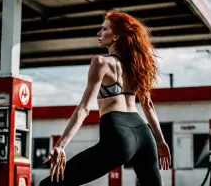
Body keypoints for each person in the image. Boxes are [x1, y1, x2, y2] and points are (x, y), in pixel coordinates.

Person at [39, 11, 171, 186]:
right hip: (144, 135)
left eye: (103, 29)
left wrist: (60, 146)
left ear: (116, 36)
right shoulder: (137, 66)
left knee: (49, 184)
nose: (98, 34)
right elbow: (148, 105)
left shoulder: (101, 63)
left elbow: (84, 109)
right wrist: (160, 141)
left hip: (118, 135)